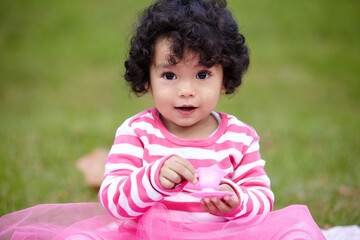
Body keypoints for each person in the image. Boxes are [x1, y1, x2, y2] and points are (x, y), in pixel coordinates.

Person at [0, 0, 326, 239]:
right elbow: (114, 200)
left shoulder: (240, 137)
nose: (186, 91)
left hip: (225, 236)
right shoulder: (138, 132)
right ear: (147, 79)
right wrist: (153, 178)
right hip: (145, 236)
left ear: (225, 79)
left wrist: (237, 202)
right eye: (169, 75)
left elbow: (262, 201)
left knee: (296, 235)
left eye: (202, 74)